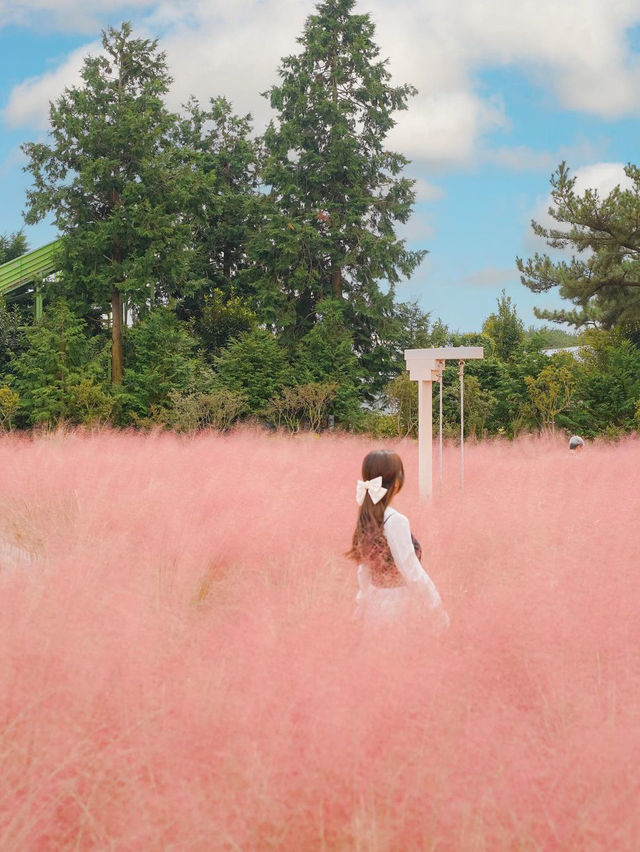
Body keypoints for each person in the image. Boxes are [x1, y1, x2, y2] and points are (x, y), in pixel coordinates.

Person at [347, 449, 449, 631]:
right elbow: (412, 571)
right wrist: (437, 611)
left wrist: (360, 606)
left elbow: (364, 570)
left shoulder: (368, 515)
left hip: (374, 604)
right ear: (396, 482)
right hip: (397, 606)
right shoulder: (394, 520)